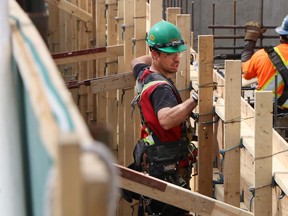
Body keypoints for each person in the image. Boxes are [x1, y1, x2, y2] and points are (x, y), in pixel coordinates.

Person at [128, 20, 198, 216]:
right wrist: (193, 100)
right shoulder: (161, 89)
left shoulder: (145, 74)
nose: (177, 59)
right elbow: (166, 120)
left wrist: (157, 54)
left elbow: (135, 62)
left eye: (178, 53)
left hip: (152, 165)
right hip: (167, 173)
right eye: (169, 55)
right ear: (155, 55)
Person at [241, 15, 288, 139]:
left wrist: (250, 42)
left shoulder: (263, 56)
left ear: (281, 36)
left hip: (270, 116)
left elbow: (245, 73)